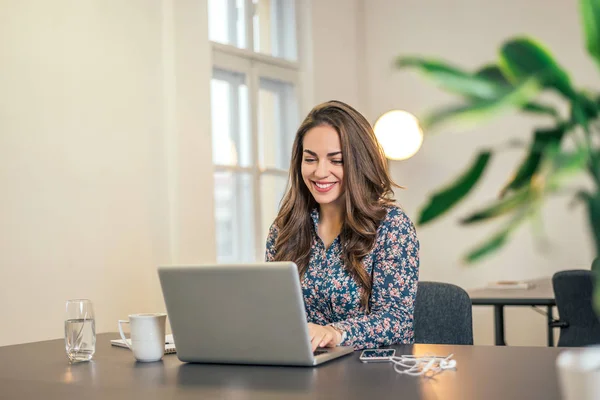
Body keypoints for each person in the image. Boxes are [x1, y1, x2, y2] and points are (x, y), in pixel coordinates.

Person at [265, 100, 420, 351]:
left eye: (336, 161)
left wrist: (334, 333)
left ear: (360, 163)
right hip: (302, 371)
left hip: (372, 375)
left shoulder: (391, 227)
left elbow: (397, 322)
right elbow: (274, 314)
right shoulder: (284, 229)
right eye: (310, 159)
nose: (320, 172)